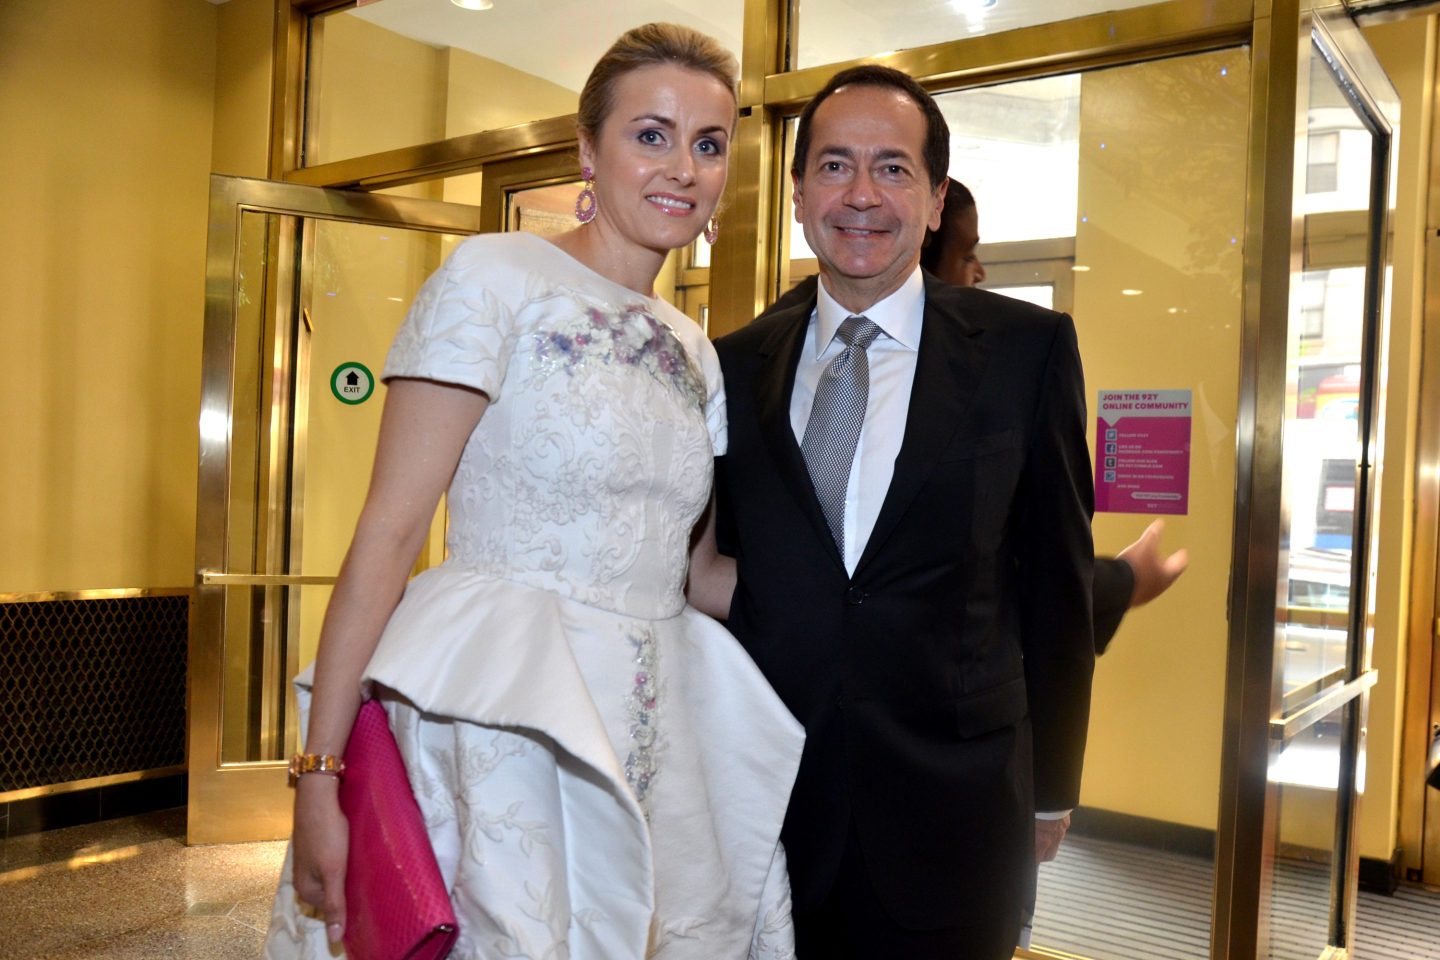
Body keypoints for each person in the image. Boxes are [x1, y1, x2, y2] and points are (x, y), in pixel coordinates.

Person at [264, 23, 803, 960]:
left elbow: (695, 572)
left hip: (652, 721)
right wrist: (320, 773)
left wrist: (874, 606)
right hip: (495, 715)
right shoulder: (494, 277)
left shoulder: (695, 352)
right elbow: (389, 533)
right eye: (651, 134)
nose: (683, 168)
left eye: (708, 144)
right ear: (589, 149)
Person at [714, 64, 1096, 958]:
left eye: (892, 168)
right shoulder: (730, 366)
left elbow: (1057, 585)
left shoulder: (1025, 351)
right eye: (835, 165)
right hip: (768, 811)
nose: (861, 195)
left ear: (934, 201)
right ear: (798, 193)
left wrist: (1053, 788)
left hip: (958, 814)